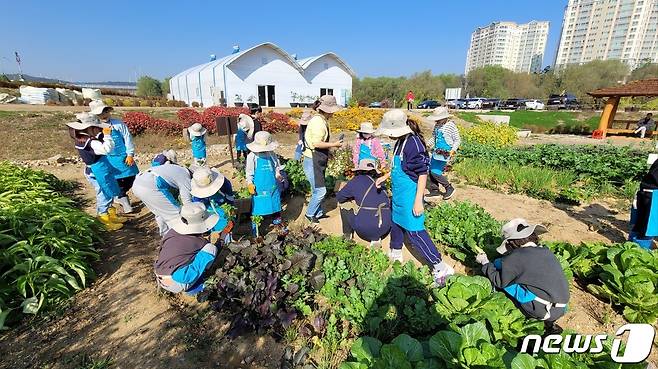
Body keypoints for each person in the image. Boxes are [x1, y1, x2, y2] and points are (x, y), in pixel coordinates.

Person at [374, 109, 454, 285]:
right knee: (396, 223)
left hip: (411, 195)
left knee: (415, 232)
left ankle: (440, 266)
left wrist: (418, 201)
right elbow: (399, 167)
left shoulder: (414, 144)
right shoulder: (401, 141)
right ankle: (396, 251)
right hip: (399, 195)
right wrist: (385, 176)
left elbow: (422, 174)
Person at [475, 219, 570, 334]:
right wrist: (502, 263)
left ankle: (535, 323)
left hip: (541, 309)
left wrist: (485, 263)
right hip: (561, 308)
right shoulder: (546, 251)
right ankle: (550, 324)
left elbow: (499, 280)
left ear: (512, 242)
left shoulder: (516, 257)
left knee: (506, 286)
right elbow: (526, 266)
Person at [67, 113, 125, 231]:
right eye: (97, 127)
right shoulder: (90, 141)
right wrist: (108, 136)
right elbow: (107, 149)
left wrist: (103, 134)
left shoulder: (82, 138)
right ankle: (104, 220)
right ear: (89, 128)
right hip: (97, 171)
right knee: (104, 193)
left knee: (109, 190)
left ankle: (110, 214)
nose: (99, 129)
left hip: (96, 169)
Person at [154, 203, 220, 294]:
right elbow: (208, 246)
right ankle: (204, 274)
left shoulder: (172, 232)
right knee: (211, 249)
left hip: (160, 275)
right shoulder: (200, 242)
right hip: (176, 282)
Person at [90, 100, 138, 213]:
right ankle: (122, 198)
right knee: (113, 179)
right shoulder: (94, 127)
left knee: (131, 176)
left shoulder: (118, 124)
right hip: (106, 158)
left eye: (105, 111)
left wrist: (130, 154)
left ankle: (120, 195)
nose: (103, 115)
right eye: (100, 113)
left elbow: (127, 138)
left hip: (122, 156)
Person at [303, 95, 344, 223]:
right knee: (320, 191)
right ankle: (309, 214)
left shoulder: (321, 120)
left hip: (317, 159)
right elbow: (316, 143)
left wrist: (329, 152)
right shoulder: (318, 122)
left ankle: (319, 213)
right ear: (327, 110)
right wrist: (334, 145)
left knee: (317, 188)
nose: (333, 114)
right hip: (312, 160)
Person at [132, 151, 193, 236]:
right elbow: (187, 202)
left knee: (160, 212)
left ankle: (165, 235)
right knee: (176, 214)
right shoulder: (186, 177)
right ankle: (181, 238)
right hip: (151, 185)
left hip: (137, 184)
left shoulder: (176, 169)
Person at [336, 159, 392, 248]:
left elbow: (340, 197)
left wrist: (352, 198)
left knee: (344, 204)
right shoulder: (381, 181)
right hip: (385, 226)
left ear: (359, 169)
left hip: (365, 228)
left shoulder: (357, 180)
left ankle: (347, 234)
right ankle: (376, 239)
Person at [246, 131, 285, 235]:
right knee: (257, 208)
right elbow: (249, 173)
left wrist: (278, 175)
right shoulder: (252, 157)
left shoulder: (272, 154)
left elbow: (276, 167)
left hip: (272, 186)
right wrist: (250, 183)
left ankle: (278, 226)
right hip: (259, 187)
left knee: (275, 206)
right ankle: (256, 231)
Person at [426, 107, 460, 200]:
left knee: (435, 172)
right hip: (436, 151)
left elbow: (457, 140)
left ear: (445, 117)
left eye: (438, 118)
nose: (436, 120)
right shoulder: (436, 126)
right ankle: (434, 190)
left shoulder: (450, 125)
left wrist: (453, 150)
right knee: (430, 169)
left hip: (445, 152)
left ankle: (449, 187)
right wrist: (427, 145)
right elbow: (434, 138)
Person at [630, 156, 658, 248]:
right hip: (653, 194)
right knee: (648, 228)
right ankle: (641, 252)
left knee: (640, 223)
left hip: (645, 192)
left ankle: (630, 246)